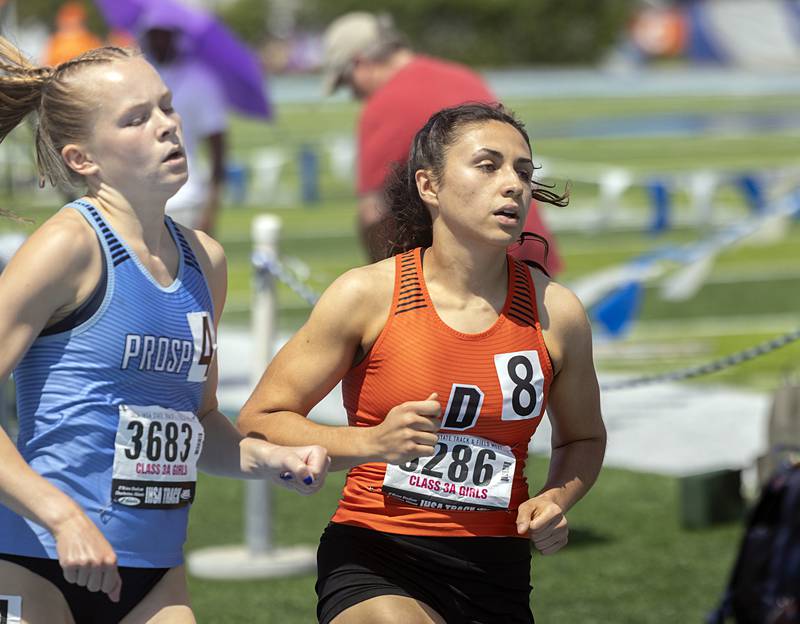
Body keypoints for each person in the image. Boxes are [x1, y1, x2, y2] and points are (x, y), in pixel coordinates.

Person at [238, 102, 606, 624]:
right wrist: (371, 443)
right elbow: (259, 422)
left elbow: (583, 439)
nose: (513, 185)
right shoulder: (366, 294)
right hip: (375, 554)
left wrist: (554, 500)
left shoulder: (557, 312)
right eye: (488, 165)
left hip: (496, 571)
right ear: (429, 186)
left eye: (523, 172)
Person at [0, 40, 328, 623]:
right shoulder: (68, 247)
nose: (168, 127)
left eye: (167, 107)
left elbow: (199, 424)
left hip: (153, 571)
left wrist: (269, 458)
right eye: (136, 118)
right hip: (39, 555)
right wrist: (61, 515)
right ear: (82, 159)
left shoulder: (207, 260)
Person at [321, 11, 563, 274]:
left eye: (348, 83)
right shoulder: (463, 75)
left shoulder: (384, 104)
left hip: (471, 267)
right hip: (526, 241)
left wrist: (384, 280)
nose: (353, 94)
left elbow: (373, 213)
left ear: (360, 63)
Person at [139, 17, 228, 235]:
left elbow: (217, 144)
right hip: (140, 198)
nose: (158, 40)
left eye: (164, 33)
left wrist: (212, 205)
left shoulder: (200, 81)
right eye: (153, 34)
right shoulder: (139, 76)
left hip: (186, 197)